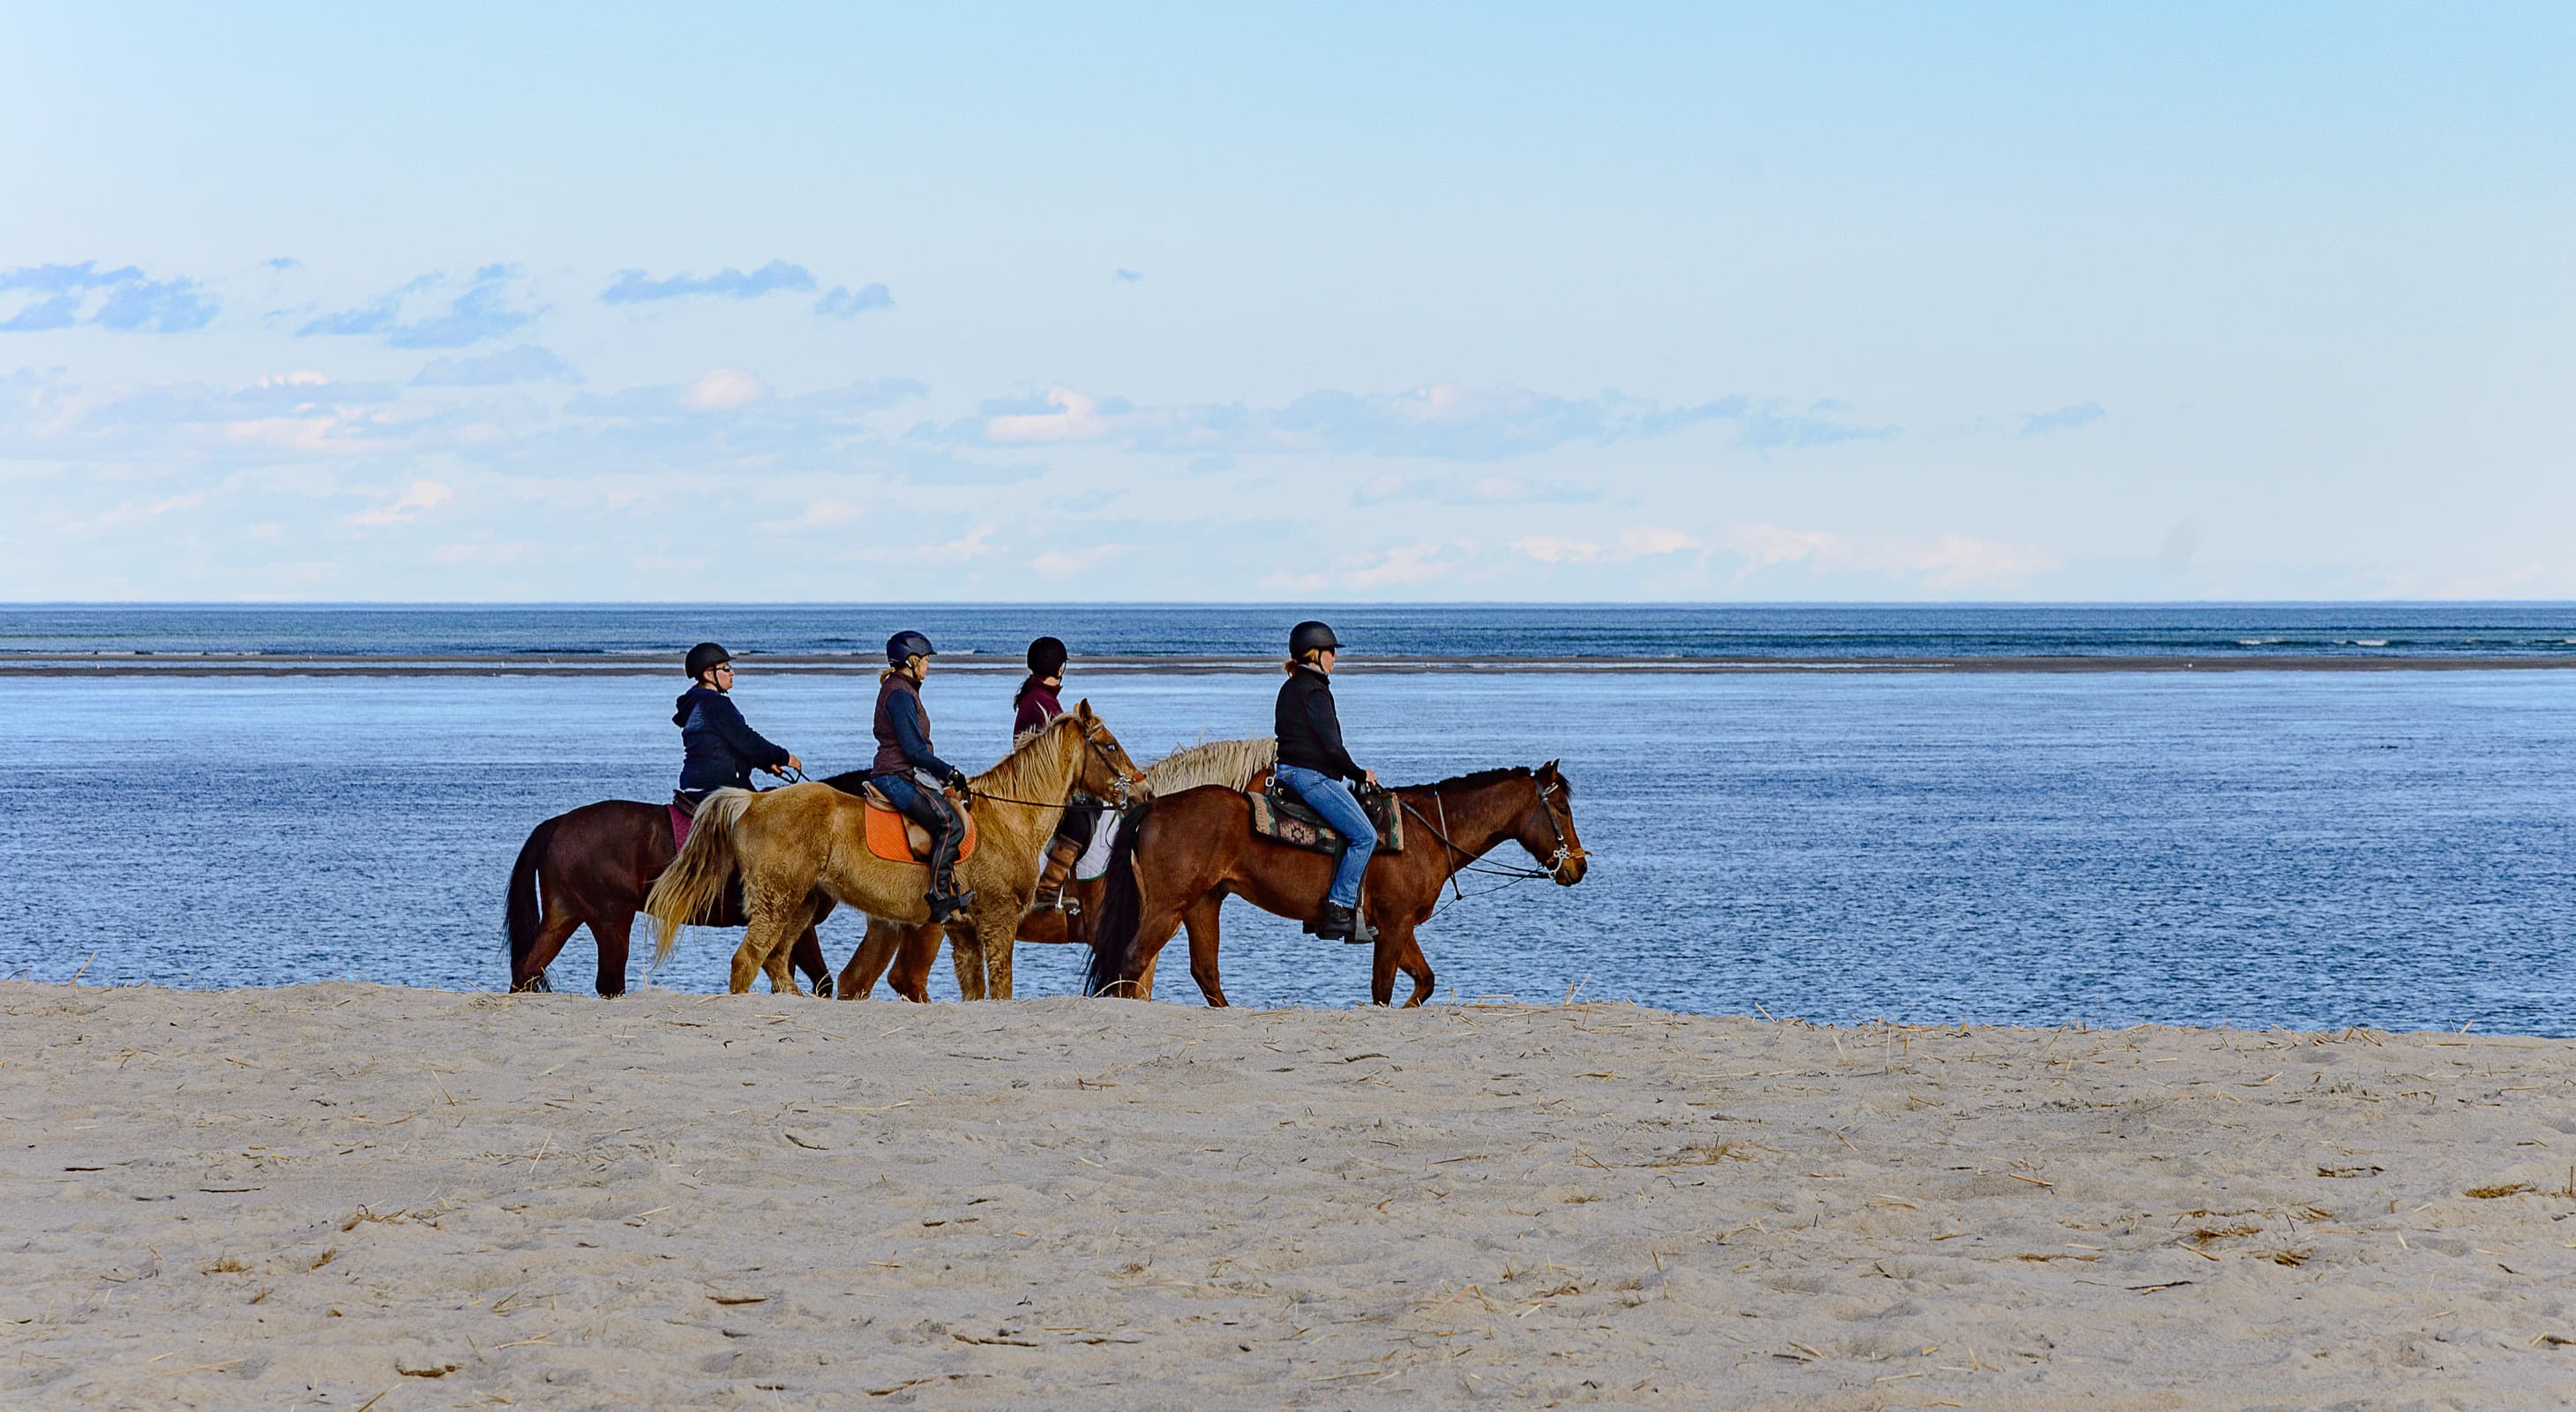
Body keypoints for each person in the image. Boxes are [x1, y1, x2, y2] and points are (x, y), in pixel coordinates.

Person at [1272, 620, 1380, 943]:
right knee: (1365, 836)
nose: (1335, 658)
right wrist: (1360, 773)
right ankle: (1339, 906)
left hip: (1287, 772)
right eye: (1331, 651)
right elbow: (1333, 748)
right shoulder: (1316, 692)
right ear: (1315, 654)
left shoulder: (1290, 687)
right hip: (1310, 778)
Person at [871, 630, 976, 922]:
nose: (929, 666)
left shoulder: (902, 689)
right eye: (927, 661)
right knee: (949, 822)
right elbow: (915, 750)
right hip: (896, 774)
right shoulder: (901, 695)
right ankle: (939, 895)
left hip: (902, 771)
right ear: (912, 660)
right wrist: (948, 771)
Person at [1015, 636, 1095, 912]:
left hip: (1047, 785)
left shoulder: (1042, 699)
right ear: (1059, 668)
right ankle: (1048, 889)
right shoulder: (1040, 703)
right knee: (1079, 823)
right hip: (1038, 790)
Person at [675, 642, 802, 805]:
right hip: (719, 786)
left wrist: (766, 763)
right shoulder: (714, 703)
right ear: (708, 674)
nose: (732, 673)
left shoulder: (697, 703)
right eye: (726, 668)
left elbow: (726, 746)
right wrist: (784, 757)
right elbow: (747, 739)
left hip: (696, 782)